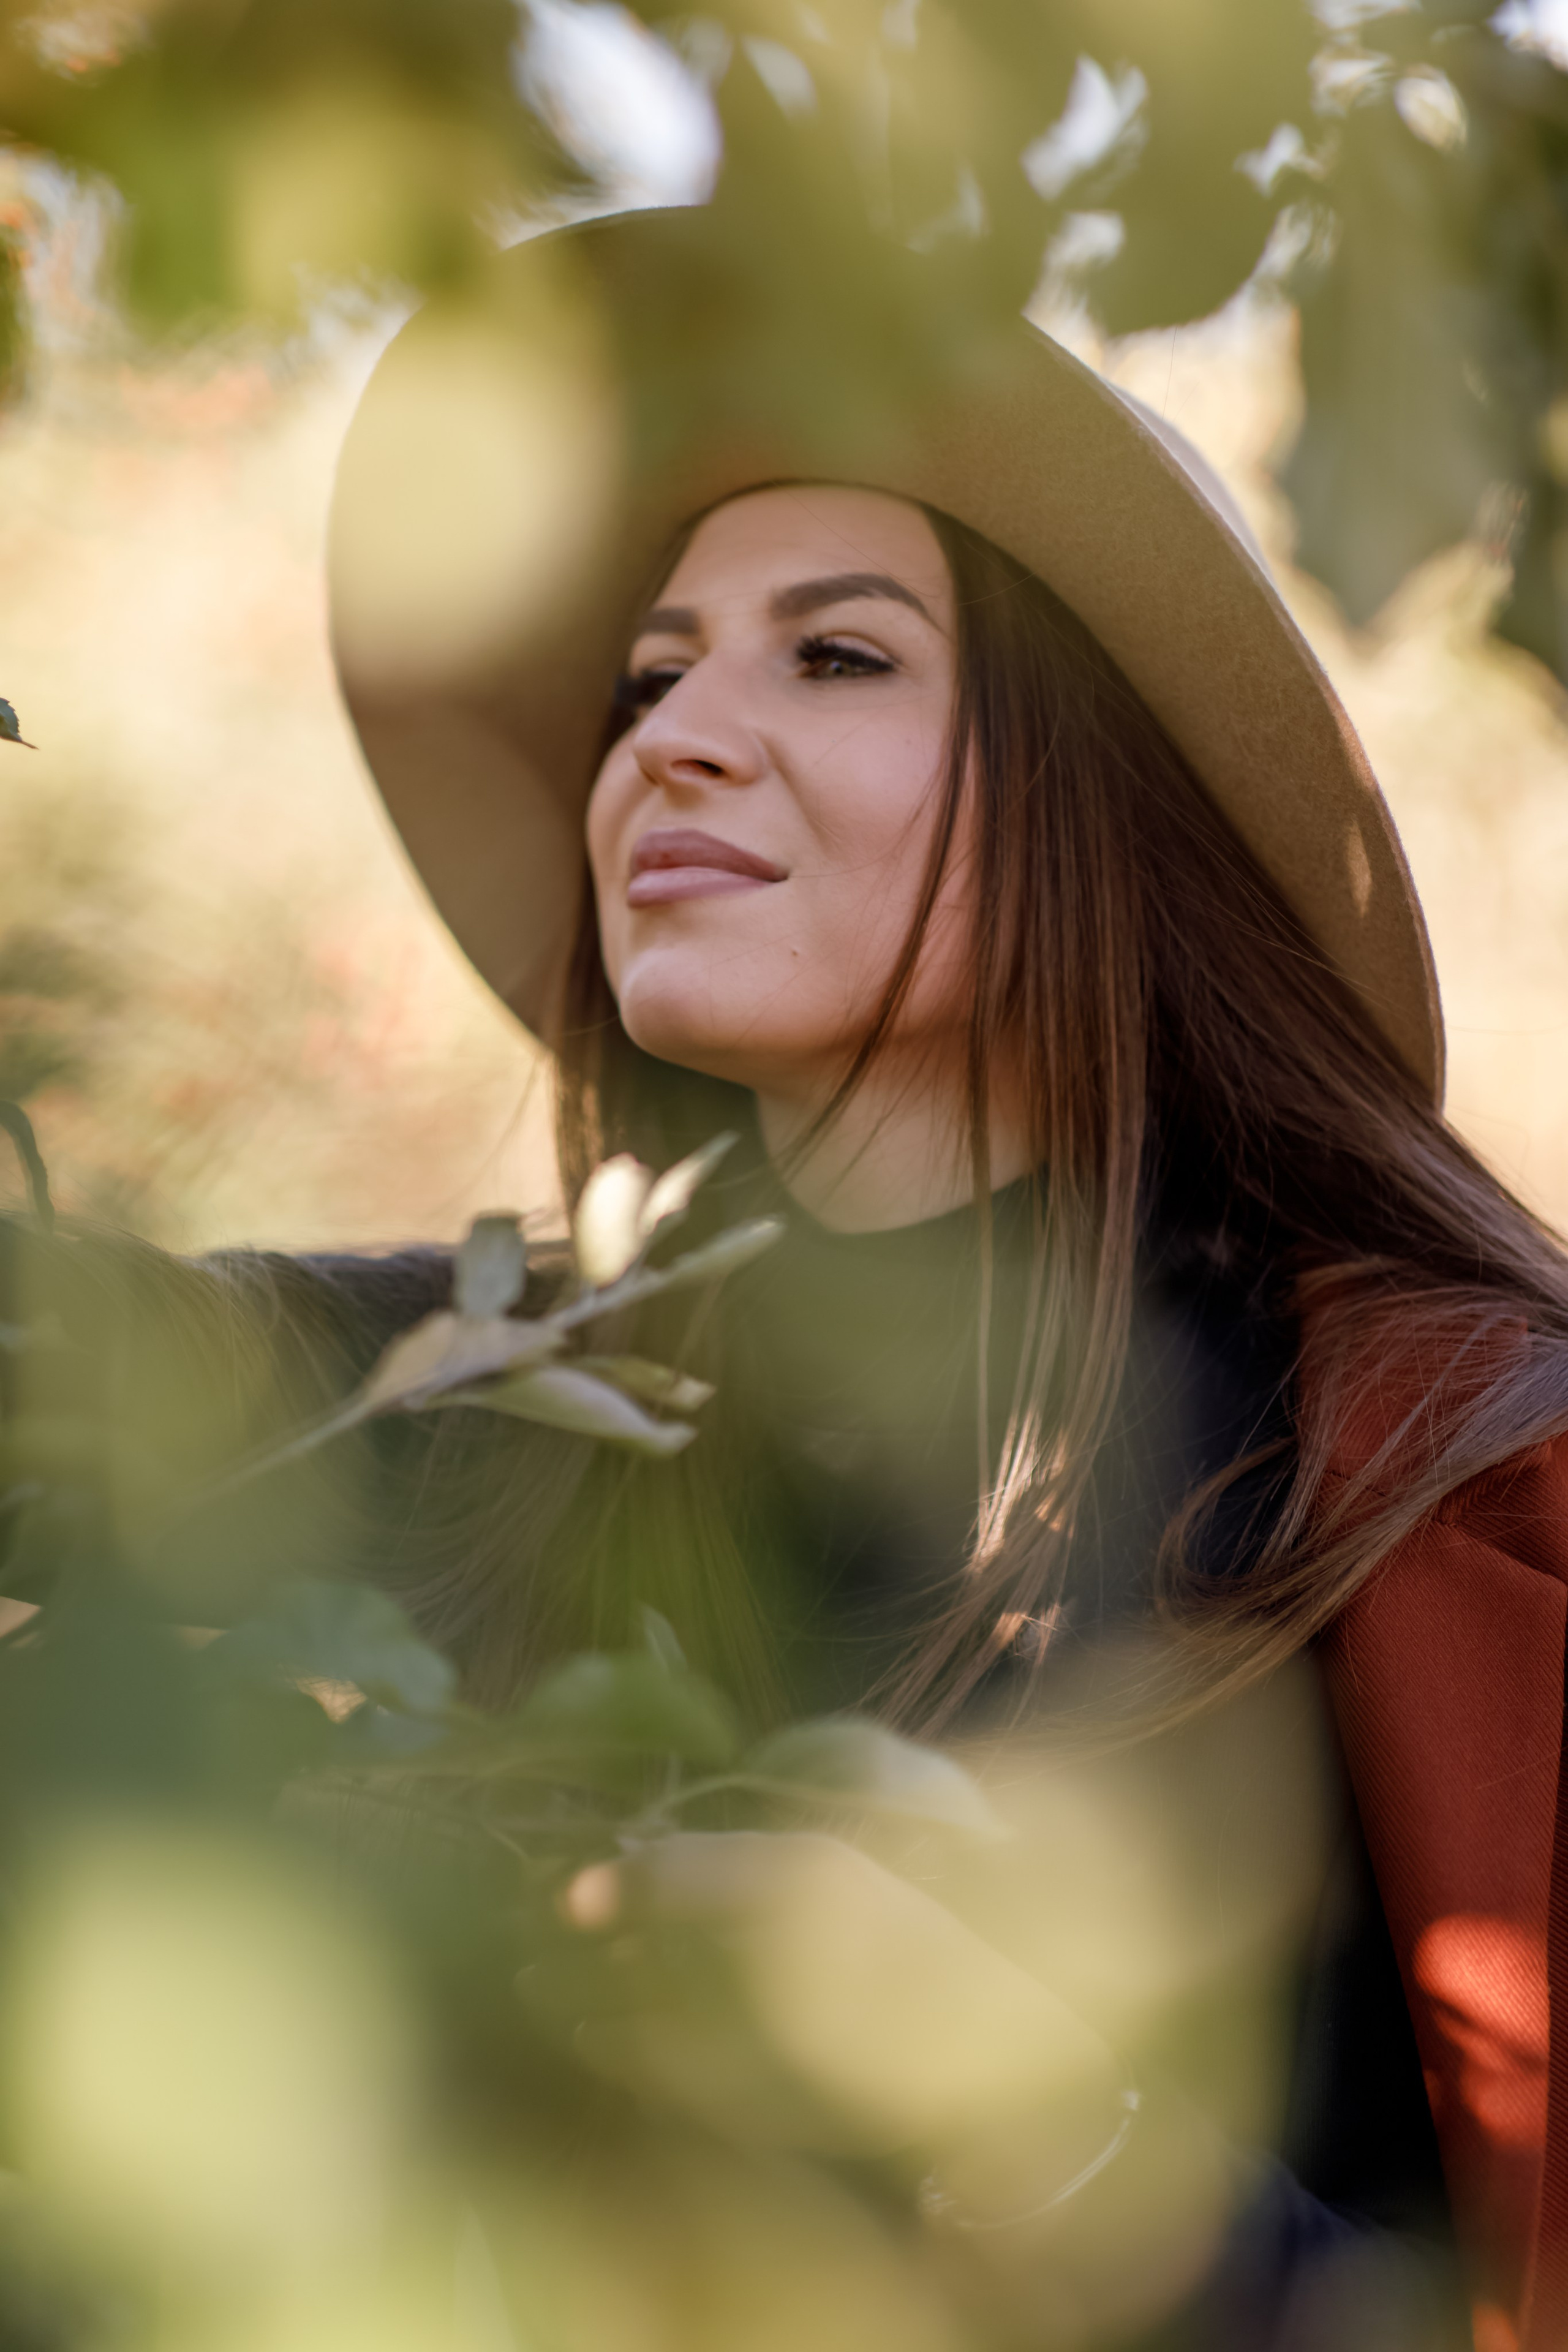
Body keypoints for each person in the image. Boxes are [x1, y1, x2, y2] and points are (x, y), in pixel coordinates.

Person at [9, 199, 1568, 2347]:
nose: (668, 736)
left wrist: (1033, 2135)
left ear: (1096, 799)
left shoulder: (1447, 1474)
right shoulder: (507, 1388)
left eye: (834, 654)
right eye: (650, 679)